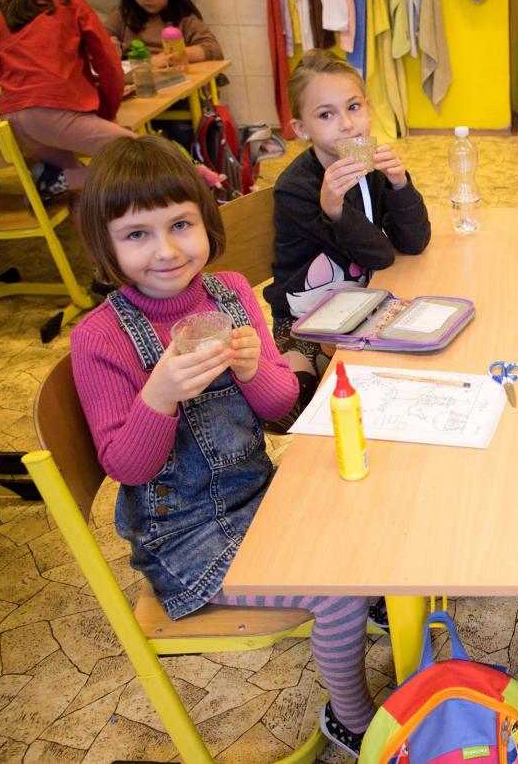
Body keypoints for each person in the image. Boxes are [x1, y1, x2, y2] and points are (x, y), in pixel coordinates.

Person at [70, 136, 381, 756]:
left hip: (257, 497)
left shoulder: (232, 292)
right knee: (338, 588)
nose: (166, 250)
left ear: (206, 223)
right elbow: (127, 466)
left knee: (367, 513)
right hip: (186, 542)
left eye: (180, 225)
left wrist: (253, 367)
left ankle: (372, 598)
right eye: (137, 235)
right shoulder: (100, 337)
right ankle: (350, 718)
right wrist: (159, 394)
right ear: (106, 245)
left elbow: (279, 406)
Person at [265, 49, 431, 427]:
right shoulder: (296, 189)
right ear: (302, 128)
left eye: (354, 107)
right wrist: (335, 210)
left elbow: (414, 242)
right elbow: (379, 255)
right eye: (326, 115)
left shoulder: (369, 167)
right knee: (296, 409)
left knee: (407, 379)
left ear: (369, 108)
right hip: (306, 317)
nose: (347, 124)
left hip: (368, 301)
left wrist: (400, 184)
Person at [0, 0, 130, 196]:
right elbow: (109, 66)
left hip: (13, 119)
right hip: (53, 115)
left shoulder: (3, 19)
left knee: (82, 187)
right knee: (145, 157)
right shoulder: (72, 6)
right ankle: (59, 180)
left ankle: (56, 180)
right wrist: (106, 111)